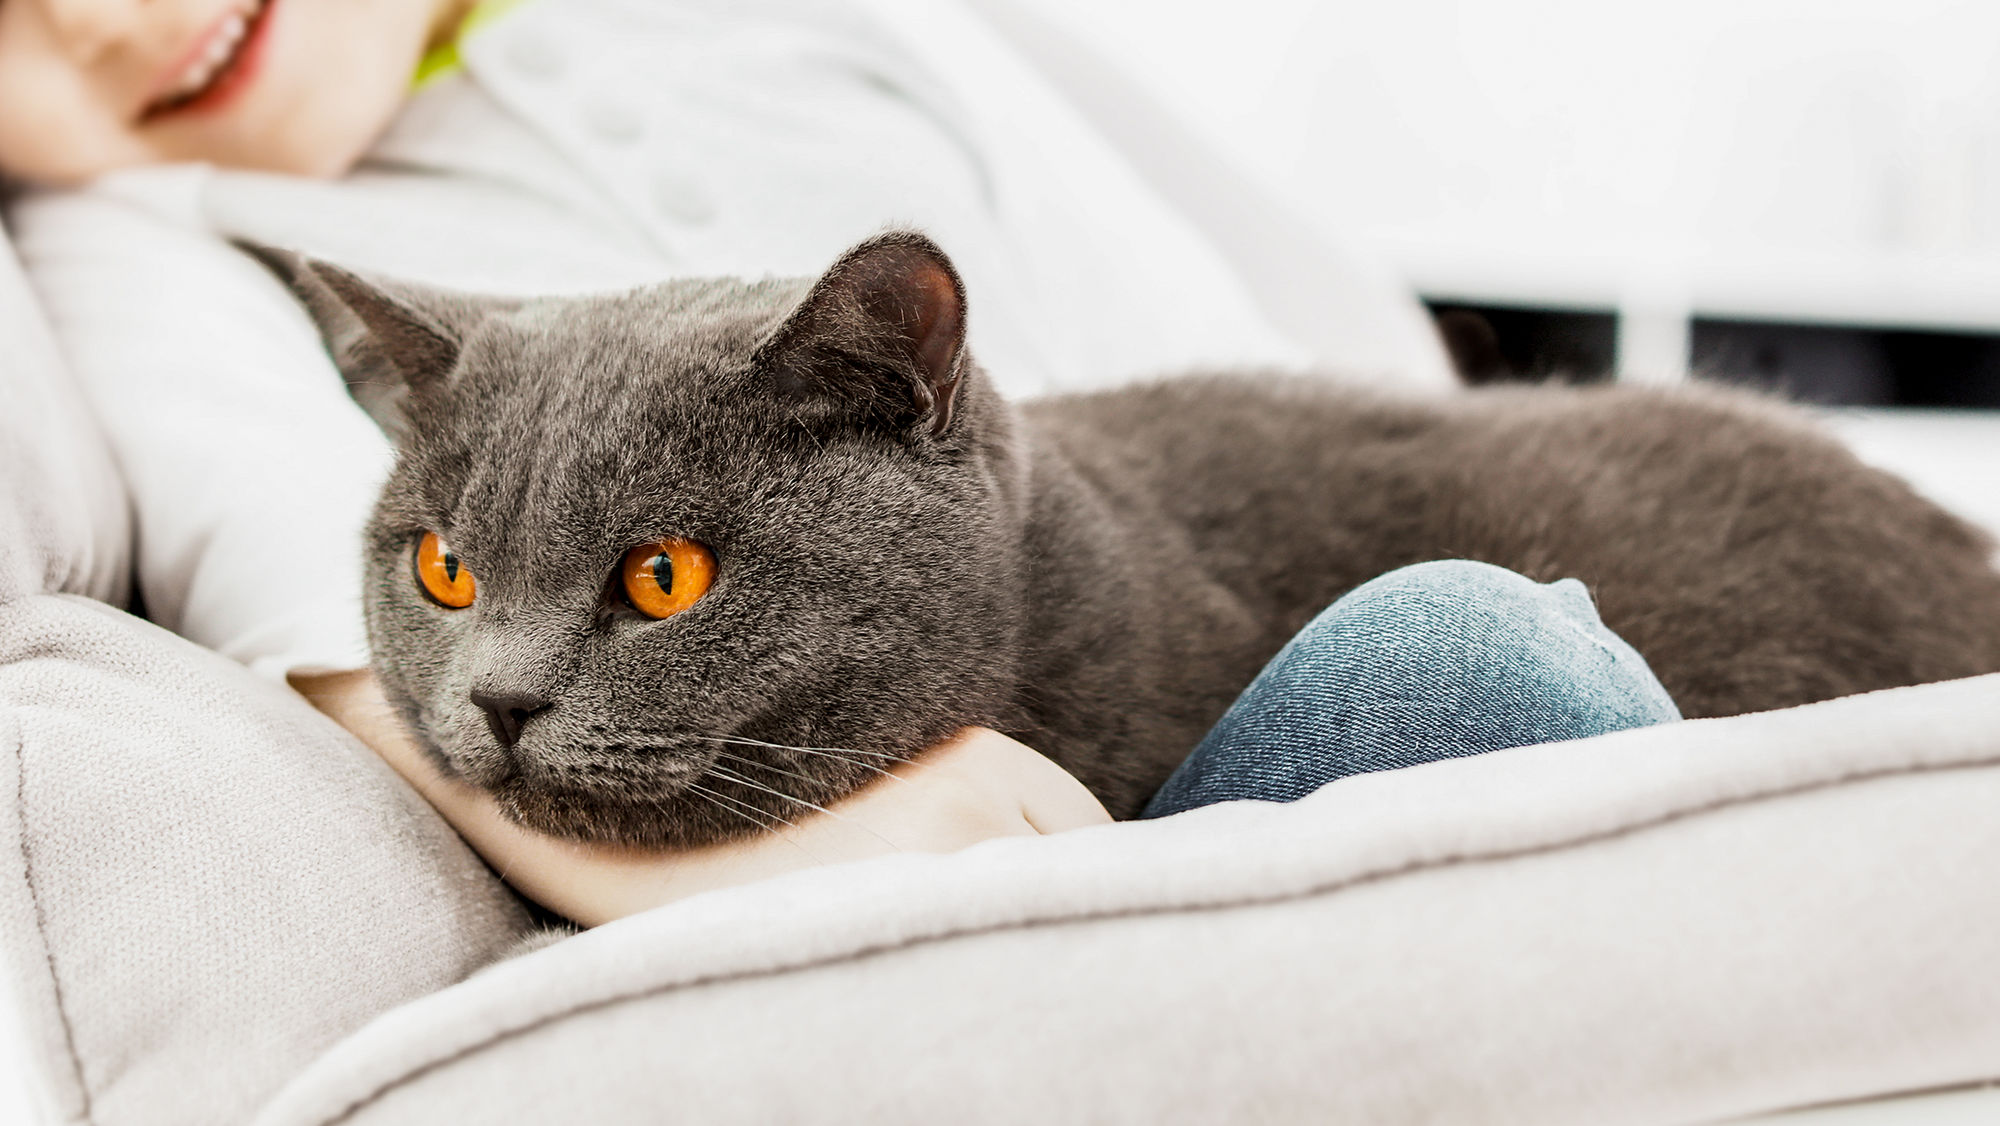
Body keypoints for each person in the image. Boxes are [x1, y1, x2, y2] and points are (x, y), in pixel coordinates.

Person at [0, 0, 1679, 928]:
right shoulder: (164, 240)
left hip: (1218, 597)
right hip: (1029, 839)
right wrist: (750, 860)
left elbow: (1328, 330)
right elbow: (316, 620)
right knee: (1470, 674)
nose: (111, 20)